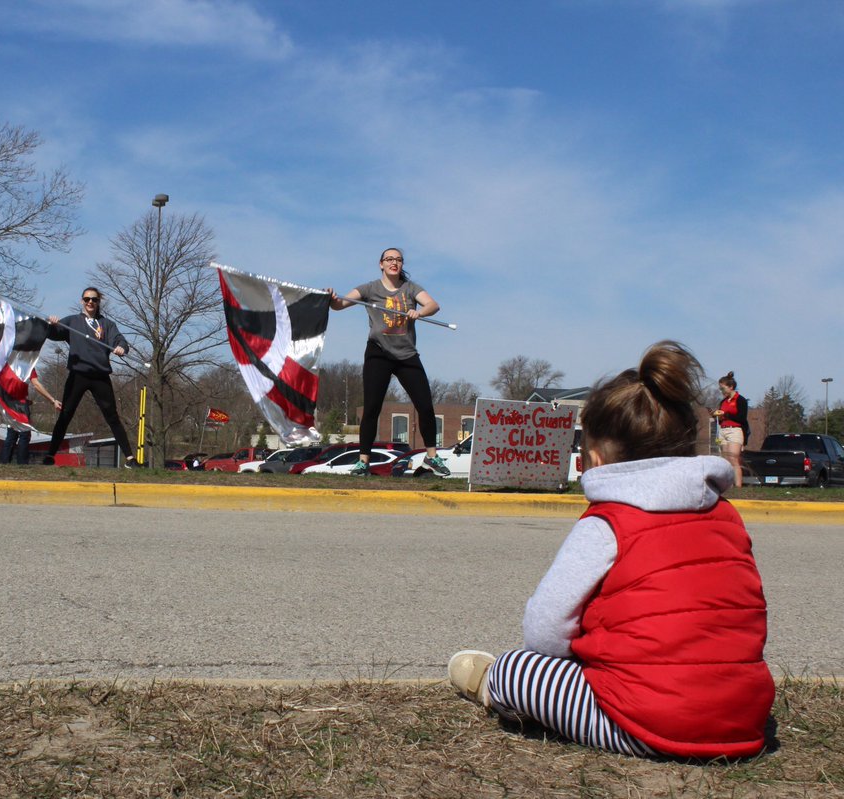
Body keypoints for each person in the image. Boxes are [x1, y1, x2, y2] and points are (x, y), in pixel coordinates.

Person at [447, 341, 773, 759]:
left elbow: (545, 628)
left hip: (646, 723)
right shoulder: (726, 516)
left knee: (518, 668)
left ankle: (493, 685)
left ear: (595, 461)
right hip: (742, 718)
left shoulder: (609, 522)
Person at [328, 247, 450, 477]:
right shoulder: (370, 288)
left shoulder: (411, 288)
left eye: (398, 259)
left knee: (425, 406)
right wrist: (331, 299)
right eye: (389, 259)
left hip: (406, 355)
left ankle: (432, 457)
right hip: (378, 353)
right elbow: (340, 305)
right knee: (372, 407)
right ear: (381, 264)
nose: (394, 262)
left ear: (402, 264)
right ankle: (363, 462)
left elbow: (433, 305)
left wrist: (420, 313)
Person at [43, 287, 139, 468]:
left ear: (98, 302)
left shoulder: (107, 324)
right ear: (82, 301)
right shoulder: (72, 321)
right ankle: (50, 455)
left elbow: (121, 341)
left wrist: (121, 348)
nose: (90, 302)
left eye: (94, 300)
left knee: (112, 416)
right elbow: (53, 335)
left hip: (100, 376)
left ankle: (129, 459)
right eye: (87, 299)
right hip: (78, 374)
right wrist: (52, 325)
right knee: (65, 415)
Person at [0, 373, 62, 465]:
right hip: (20, 405)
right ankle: (22, 463)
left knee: (11, 434)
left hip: (8, 404)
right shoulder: (28, 364)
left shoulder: (7, 362)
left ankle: (4, 462)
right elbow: (36, 384)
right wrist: (52, 400)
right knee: (24, 435)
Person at [713, 371, 748, 488]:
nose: (721, 391)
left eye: (723, 388)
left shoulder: (740, 400)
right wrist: (717, 415)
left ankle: (738, 485)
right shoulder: (723, 402)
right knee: (725, 460)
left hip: (735, 430)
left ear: (731, 387)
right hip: (723, 430)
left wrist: (726, 414)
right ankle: (728, 486)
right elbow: (722, 416)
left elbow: (742, 418)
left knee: (733, 458)